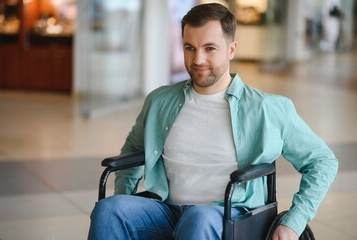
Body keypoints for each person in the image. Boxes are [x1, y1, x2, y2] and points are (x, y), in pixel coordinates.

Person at [88, 3, 338, 240]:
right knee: (109, 210)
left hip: (231, 214)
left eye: (209, 48)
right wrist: (124, 199)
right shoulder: (159, 101)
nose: (197, 60)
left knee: (198, 219)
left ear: (231, 49)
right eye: (189, 48)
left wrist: (293, 222)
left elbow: (322, 162)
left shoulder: (268, 108)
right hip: (167, 209)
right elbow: (133, 150)